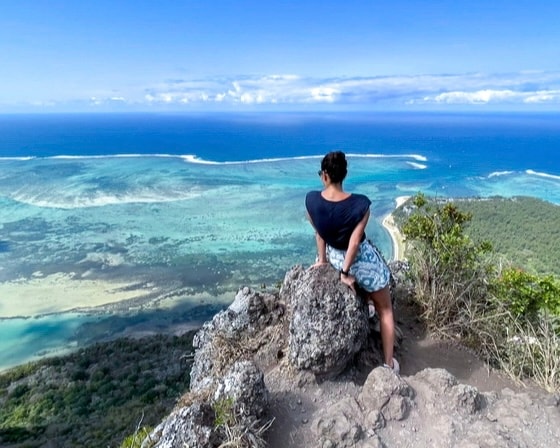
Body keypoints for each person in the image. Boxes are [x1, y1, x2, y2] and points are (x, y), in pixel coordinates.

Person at [305, 151, 399, 373]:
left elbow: (319, 232)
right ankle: (388, 365)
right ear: (343, 175)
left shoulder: (311, 200)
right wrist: (345, 273)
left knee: (370, 294)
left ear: (325, 176)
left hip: (334, 257)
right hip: (358, 262)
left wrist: (323, 261)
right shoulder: (361, 205)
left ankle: (366, 304)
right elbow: (355, 242)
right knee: (386, 310)